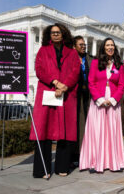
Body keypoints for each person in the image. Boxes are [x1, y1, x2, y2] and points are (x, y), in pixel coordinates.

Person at [29, 23, 80, 178]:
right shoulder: (43, 51)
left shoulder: (71, 53)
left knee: (64, 132)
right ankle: (42, 169)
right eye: (53, 33)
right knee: (44, 131)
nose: (55, 35)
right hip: (48, 92)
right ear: (49, 35)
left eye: (58, 32)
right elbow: (39, 70)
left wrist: (65, 86)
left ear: (63, 34)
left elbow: (75, 71)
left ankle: (61, 167)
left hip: (66, 94)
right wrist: (55, 82)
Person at [79, 37, 124, 173]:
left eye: (112, 45)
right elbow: (91, 82)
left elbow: (121, 84)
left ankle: (112, 162)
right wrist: (99, 99)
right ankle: (96, 161)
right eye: (107, 45)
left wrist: (112, 100)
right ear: (103, 47)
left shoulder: (119, 64)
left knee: (112, 131)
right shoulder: (95, 62)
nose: (110, 47)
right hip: (98, 101)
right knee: (97, 130)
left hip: (113, 101)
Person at [72, 35, 93, 165]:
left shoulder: (89, 59)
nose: (84, 46)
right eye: (81, 45)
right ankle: (76, 154)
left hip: (88, 94)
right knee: (77, 124)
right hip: (75, 94)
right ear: (74, 47)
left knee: (88, 123)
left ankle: (88, 152)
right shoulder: (71, 58)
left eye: (85, 44)